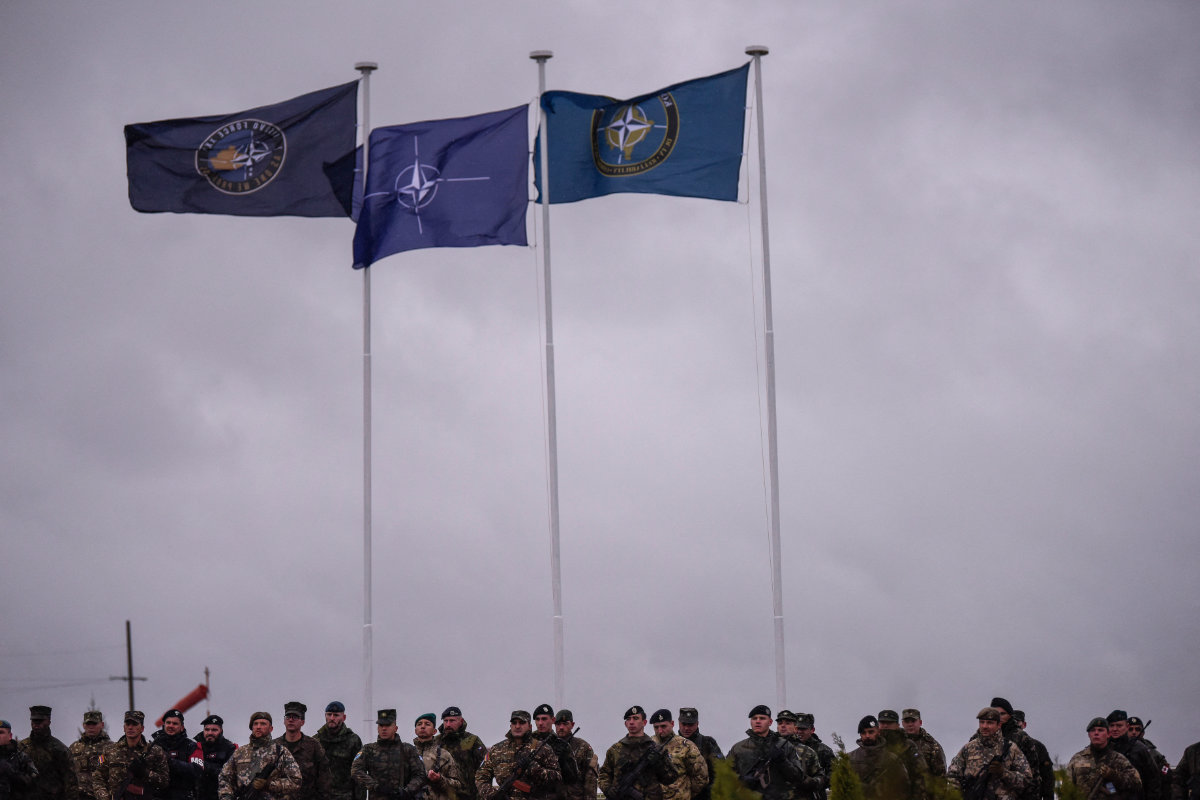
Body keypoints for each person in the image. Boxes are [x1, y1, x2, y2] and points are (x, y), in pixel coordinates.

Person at [727, 706, 814, 800]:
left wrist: (783, 761)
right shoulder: (739, 748)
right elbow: (725, 775)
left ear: (770, 722)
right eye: (754, 718)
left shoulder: (785, 745)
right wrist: (741, 780)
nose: (758, 721)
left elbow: (798, 777)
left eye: (762, 718)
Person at [946, 708, 1031, 800]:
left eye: (989, 723)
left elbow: (1026, 781)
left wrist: (1004, 773)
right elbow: (953, 776)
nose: (984, 726)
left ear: (999, 725)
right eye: (982, 722)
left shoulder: (1011, 749)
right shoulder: (968, 748)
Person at [476, 710, 559, 800]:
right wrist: (492, 795)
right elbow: (481, 776)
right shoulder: (496, 749)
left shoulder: (543, 749)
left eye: (522, 723)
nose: (517, 726)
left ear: (530, 727)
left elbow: (557, 778)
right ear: (510, 726)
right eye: (514, 723)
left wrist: (535, 769)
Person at [599, 707, 677, 800]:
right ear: (625, 724)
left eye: (636, 718)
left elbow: (671, 778)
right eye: (628, 719)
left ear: (644, 722)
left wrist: (659, 764)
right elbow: (604, 774)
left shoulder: (655, 749)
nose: (631, 722)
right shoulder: (615, 750)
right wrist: (608, 789)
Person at [217, 713, 300, 800]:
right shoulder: (239, 752)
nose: (258, 727)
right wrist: (226, 797)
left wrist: (269, 784)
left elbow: (296, 781)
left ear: (271, 728)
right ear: (252, 727)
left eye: (263, 724)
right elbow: (225, 778)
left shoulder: (281, 752)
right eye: (255, 724)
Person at [92, 711, 168, 800]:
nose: (130, 727)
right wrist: (105, 797)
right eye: (128, 724)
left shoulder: (155, 751)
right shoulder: (108, 750)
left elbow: (164, 781)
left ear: (142, 728)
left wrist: (145, 772)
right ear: (124, 728)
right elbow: (97, 776)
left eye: (135, 724)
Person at [351, 710, 425, 800]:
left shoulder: (408, 750)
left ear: (395, 728)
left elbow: (420, 774)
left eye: (388, 725)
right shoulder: (369, 750)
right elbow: (356, 771)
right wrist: (375, 786)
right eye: (381, 725)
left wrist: (406, 791)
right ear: (377, 728)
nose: (384, 729)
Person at [1064, 718, 1141, 800]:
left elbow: (1137, 784)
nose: (1096, 733)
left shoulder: (1118, 759)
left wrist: (1114, 776)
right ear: (1089, 735)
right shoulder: (1077, 759)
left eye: (1100, 730)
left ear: (1108, 734)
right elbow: (1066, 789)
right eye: (1093, 730)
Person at [20, 707, 78, 800]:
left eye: (40, 721)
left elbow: (70, 782)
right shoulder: (22, 747)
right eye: (34, 721)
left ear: (49, 722)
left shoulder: (59, 749)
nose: (36, 724)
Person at [276, 703, 331, 800]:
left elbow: (324, 779)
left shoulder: (313, 746)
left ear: (302, 722)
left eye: (295, 717)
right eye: (288, 716)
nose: (291, 719)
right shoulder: (275, 746)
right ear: (284, 721)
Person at [987, 699, 1040, 800]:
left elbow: (1032, 778)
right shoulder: (979, 738)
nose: (999, 717)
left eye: (1002, 714)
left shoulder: (1022, 739)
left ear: (1010, 715)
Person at [649, 710, 707, 800]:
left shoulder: (686, 746)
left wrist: (685, 793)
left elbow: (701, 776)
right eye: (656, 727)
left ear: (672, 724)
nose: (660, 730)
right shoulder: (647, 745)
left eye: (663, 726)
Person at [848, 716, 908, 800]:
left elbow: (904, 787)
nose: (867, 736)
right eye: (863, 733)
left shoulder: (892, 759)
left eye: (871, 732)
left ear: (878, 732)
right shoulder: (850, 759)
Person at [150, 710, 203, 800]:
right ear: (164, 725)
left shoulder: (191, 746)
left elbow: (197, 770)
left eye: (175, 724)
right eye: (168, 723)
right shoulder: (154, 746)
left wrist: (170, 761)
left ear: (182, 727)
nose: (171, 726)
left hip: (183, 795)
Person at [1107, 711, 1160, 800]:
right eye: (1112, 725)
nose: (1115, 729)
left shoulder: (1139, 749)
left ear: (1126, 726)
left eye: (1119, 726)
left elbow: (1153, 779)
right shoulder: (1104, 749)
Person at [434, 708, 486, 800]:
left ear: (461, 721)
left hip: (467, 795)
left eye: (452, 721)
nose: (448, 724)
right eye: (446, 721)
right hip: (441, 795)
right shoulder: (436, 742)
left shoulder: (472, 741)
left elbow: (485, 768)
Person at [313, 703, 361, 800]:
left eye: (336, 715)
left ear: (343, 717)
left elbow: (359, 773)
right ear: (325, 716)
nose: (332, 718)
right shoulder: (316, 741)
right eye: (329, 714)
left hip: (344, 796)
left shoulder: (353, 741)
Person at [773, 712, 824, 800]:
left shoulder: (807, 751)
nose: (783, 726)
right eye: (780, 723)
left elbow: (820, 777)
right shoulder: (768, 748)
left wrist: (809, 782)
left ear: (795, 728)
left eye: (788, 723)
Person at [878, 711, 928, 800]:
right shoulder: (872, 746)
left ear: (897, 725)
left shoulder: (908, 747)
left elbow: (921, 776)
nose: (885, 726)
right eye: (882, 722)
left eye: (889, 723)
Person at [531, 705, 579, 797]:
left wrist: (563, 761)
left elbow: (573, 779)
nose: (540, 723)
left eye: (544, 719)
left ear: (553, 720)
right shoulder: (529, 742)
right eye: (537, 719)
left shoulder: (561, 744)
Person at [411, 714, 461, 800]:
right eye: (419, 724)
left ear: (434, 731)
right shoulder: (407, 753)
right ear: (415, 731)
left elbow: (457, 786)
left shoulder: (444, 755)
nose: (423, 727)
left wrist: (439, 779)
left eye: (427, 724)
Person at [676, 710, 721, 800]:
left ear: (697, 724)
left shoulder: (707, 743)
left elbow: (719, 770)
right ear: (679, 723)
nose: (686, 728)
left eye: (690, 725)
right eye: (684, 724)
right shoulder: (671, 745)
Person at [552, 712, 596, 800]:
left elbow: (590, 779)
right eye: (558, 724)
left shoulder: (583, 747)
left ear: (572, 725)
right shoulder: (548, 745)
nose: (561, 727)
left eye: (565, 724)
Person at [193, 716, 236, 800]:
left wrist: (205, 766)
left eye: (214, 730)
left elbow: (229, 774)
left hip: (220, 794)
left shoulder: (229, 748)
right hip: (197, 794)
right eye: (207, 729)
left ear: (221, 731)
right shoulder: (194, 747)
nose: (210, 733)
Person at [69, 711, 110, 800]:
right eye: (88, 724)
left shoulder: (110, 748)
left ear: (102, 725)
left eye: (94, 724)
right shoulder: (74, 748)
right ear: (84, 725)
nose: (91, 727)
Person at [1011, 712, 1052, 800]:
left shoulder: (1037, 746)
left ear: (1024, 724)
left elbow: (1047, 776)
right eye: (1011, 722)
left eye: (1017, 722)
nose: (1014, 725)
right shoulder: (1000, 745)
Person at [1128, 718, 1171, 799]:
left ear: (1143, 733)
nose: (1134, 732)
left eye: (1137, 729)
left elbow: (1166, 771)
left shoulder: (1153, 753)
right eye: (1130, 729)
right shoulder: (1118, 750)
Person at [901, 710, 945, 779]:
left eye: (913, 721)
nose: (910, 724)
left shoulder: (932, 745)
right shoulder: (895, 742)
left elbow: (941, 776)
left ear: (920, 722)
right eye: (907, 722)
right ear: (903, 723)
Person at [1, 719, 39, 800]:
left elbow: (35, 781)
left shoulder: (21, 757)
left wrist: (13, 773)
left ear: (10, 736)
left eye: (1, 732)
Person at [792, 715, 833, 786]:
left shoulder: (824, 750)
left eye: (803, 729)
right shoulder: (788, 746)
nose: (799, 732)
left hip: (815, 793)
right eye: (797, 728)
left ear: (812, 730)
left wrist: (819, 782)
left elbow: (834, 772)